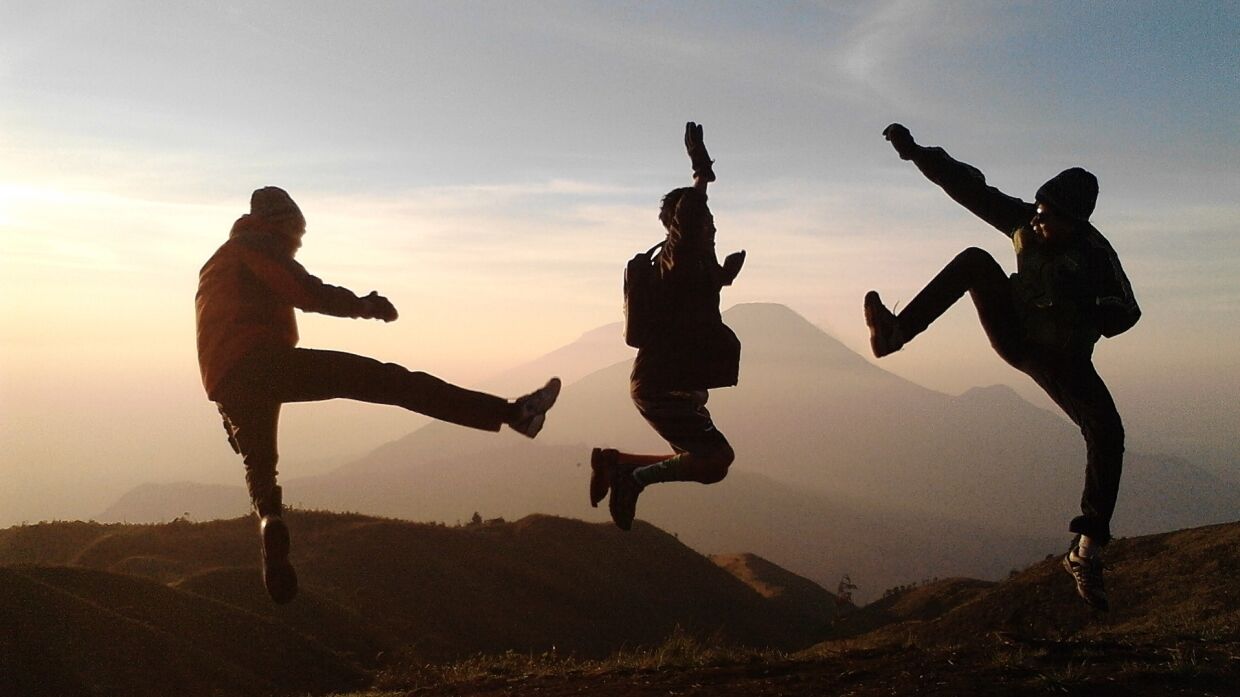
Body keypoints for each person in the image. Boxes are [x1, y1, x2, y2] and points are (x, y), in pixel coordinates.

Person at [196, 187, 561, 604]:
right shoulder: (256, 244)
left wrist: (230, 417)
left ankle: (270, 528)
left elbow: (214, 343)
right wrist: (364, 306)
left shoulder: (216, 264)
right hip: (262, 362)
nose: (296, 245)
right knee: (388, 381)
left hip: (226, 383)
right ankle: (514, 414)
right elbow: (306, 291)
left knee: (260, 467)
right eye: (295, 235)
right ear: (282, 224)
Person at [866, 124, 1140, 611]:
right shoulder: (1023, 222)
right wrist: (914, 153)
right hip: (1016, 335)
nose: (1038, 223)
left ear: (1077, 222)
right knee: (975, 260)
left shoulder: (1097, 256)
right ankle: (896, 334)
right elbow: (970, 187)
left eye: (1050, 218)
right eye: (1038, 212)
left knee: (1107, 431)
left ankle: (1087, 550)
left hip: (1063, 358)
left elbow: (1128, 312)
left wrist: (1089, 309)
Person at [589, 123, 746, 531]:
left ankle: (618, 464)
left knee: (707, 462)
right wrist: (700, 174)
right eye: (706, 222)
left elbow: (688, 302)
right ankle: (630, 477)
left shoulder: (683, 269)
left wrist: (723, 277)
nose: (712, 228)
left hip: (667, 384)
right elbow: (690, 220)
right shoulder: (678, 259)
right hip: (661, 385)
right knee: (716, 460)